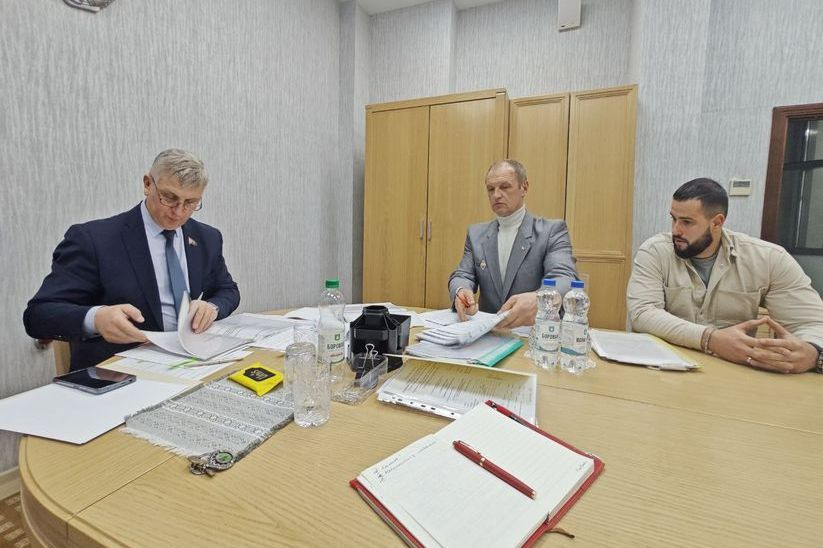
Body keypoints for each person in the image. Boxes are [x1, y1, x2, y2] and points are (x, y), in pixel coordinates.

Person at [24, 149, 240, 371]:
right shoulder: (94, 240)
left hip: (192, 362)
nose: (178, 212)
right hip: (121, 371)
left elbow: (227, 290)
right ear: (147, 184)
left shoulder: (207, 237)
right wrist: (96, 318)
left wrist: (212, 307)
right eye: (169, 198)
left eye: (191, 203)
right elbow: (38, 315)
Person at [627, 177, 823, 374]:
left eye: (687, 222)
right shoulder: (655, 252)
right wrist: (709, 339)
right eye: (673, 218)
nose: (675, 230)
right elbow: (643, 314)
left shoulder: (769, 258)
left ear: (717, 222)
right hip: (664, 370)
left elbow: (812, 322)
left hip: (735, 373)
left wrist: (812, 353)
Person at [448, 159, 578, 329]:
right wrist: (461, 291)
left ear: (524, 187)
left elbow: (565, 278)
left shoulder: (551, 231)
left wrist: (539, 299)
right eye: (491, 189)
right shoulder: (476, 234)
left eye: (505, 187)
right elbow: (462, 275)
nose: (496, 195)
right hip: (489, 334)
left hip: (534, 334)